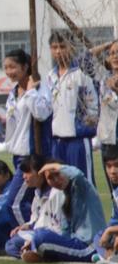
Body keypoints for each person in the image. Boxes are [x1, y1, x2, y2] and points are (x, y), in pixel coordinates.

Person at [19, 160, 105, 263]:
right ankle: (42, 251)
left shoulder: (82, 188)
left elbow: (77, 174)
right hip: (76, 242)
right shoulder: (64, 196)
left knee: (41, 237)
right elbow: (65, 231)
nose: (56, 180)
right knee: (36, 236)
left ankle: (42, 252)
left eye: (57, 175)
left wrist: (56, 166)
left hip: (90, 246)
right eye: (50, 178)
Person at [46, 31, 99, 185]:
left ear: (71, 48)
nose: (58, 51)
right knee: (61, 185)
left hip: (77, 140)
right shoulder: (51, 76)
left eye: (62, 47)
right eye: (54, 47)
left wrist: (85, 127)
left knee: (83, 183)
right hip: (57, 141)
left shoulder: (81, 73)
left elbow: (93, 104)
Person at [3, 48, 52, 169]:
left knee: (16, 189)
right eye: (6, 68)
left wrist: (30, 92)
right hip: (17, 154)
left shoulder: (40, 89)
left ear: (25, 67)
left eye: (12, 67)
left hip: (32, 156)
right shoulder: (12, 94)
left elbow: (42, 114)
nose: (9, 72)